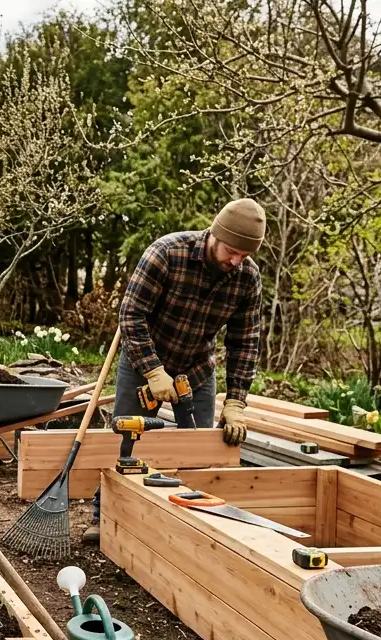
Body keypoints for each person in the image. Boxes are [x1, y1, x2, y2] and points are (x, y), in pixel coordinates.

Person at [82, 199, 264, 545]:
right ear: (215, 234)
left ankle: (183, 530)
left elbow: (246, 342)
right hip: (144, 364)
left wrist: (237, 401)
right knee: (126, 443)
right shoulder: (167, 253)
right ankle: (102, 515)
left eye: (245, 254)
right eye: (231, 251)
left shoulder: (247, 278)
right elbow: (131, 315)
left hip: (196, 370)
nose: (236, 261)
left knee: (195, 454)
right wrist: (153, 371)